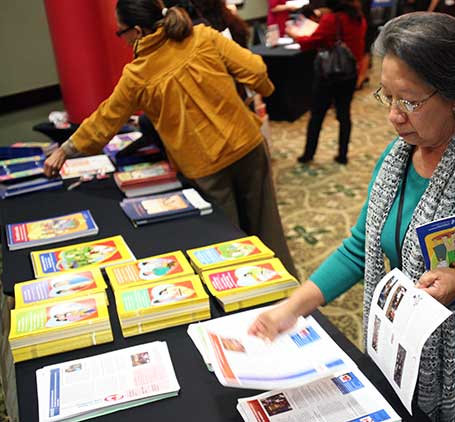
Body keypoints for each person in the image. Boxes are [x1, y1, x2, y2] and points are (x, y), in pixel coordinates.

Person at [249, 12, 455, 421]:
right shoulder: (396, 161)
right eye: (386, 96)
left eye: (410, 101)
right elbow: (359, 249)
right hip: (402, 362)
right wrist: (293, 307)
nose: (394, 115)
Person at [43, 0, 297, 278]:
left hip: (206, 168)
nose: (122, 38)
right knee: (268, 230)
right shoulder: (204, 37)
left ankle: (252, 309)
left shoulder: (137, 75)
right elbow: (256, 71)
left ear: (137, 31)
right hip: (248, 145)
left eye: (121, 32)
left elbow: (104, 120)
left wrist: (66, 150)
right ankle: (292, 302)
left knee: (230, 249)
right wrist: (265, 89)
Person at [286, 0, 367, 165]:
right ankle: (342, 154)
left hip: (328, 75)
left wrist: (293, 34)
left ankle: (308, 154)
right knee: (344, 114)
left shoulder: (331, 19)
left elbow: (311, 41)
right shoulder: (359, 18)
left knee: (317, 115)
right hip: (350, 73)